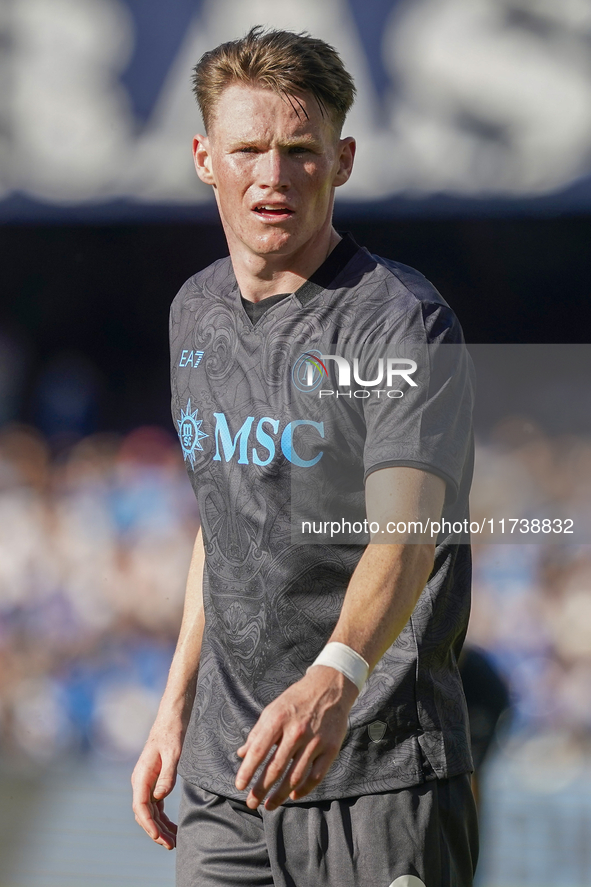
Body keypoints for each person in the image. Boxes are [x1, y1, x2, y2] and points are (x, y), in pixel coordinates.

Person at [132, 26, 478, 887]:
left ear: (345, 158)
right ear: (205, 157)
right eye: (248, 148)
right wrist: (174, 708)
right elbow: (226, 522)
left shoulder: (399, 320)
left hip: (380, 770)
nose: (273, 176)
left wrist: (336, 677)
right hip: (228, 782)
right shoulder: (193, 312)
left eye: (300, 150)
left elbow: (406, 536)